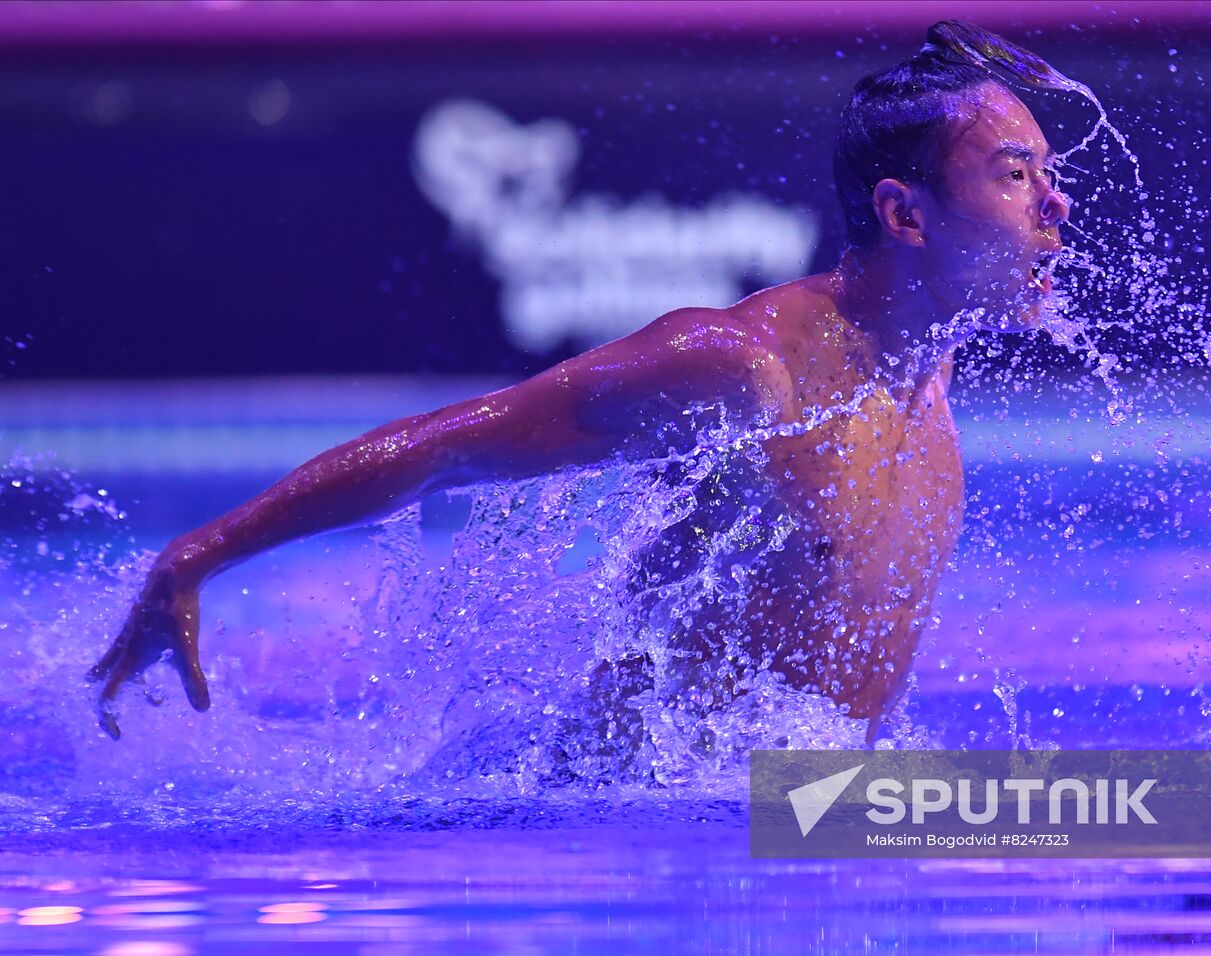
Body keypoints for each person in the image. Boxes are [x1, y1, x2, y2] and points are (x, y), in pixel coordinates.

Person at [89, 21, 1073, 742]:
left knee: (1105, 826)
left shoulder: (923, 367)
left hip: (801, 829)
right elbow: (448, 445)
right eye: (1017, 174)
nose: (1056, 204)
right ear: (904, 216)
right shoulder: (745, 370)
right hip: (652, 841)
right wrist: (200, 554)